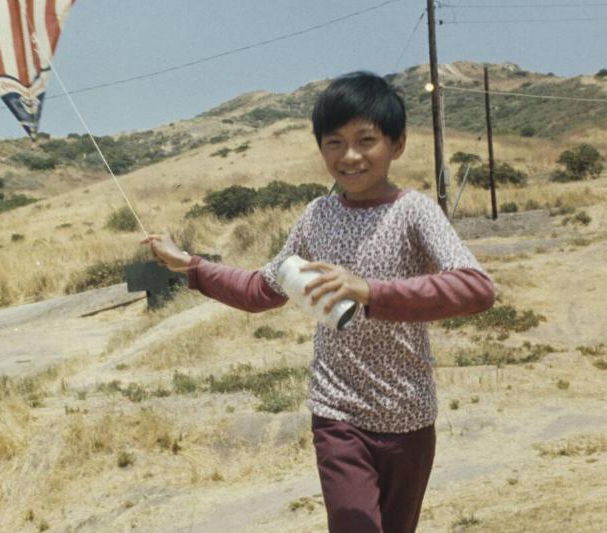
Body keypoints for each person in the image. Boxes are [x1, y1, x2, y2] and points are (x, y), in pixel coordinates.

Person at [141, 71, 496, 533]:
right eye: (334, 143)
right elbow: (262, 289)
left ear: (397, 144)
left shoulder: (414, 211)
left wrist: (370, 291)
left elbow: (476, 288)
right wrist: (190, 265)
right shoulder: (317, 216)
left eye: (366, 140)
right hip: (337, 415)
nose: (349, 156)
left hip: (409, 417)